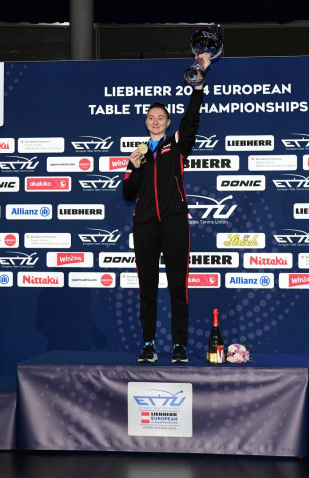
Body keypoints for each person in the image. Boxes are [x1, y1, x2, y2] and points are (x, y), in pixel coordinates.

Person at [122, 53, 211, 364]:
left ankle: (179, 346)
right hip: (145, 226)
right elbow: (127, 192)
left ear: (168, 122)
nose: (155, 121)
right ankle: (148, 344)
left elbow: (192, 121)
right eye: (151, 117)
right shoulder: (139, 153)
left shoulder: (177, 145)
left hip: (174, 223)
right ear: (146, 122)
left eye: (160, 117)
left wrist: (198, 85)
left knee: (178, 287)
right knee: (147, 289)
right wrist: (133, 168)